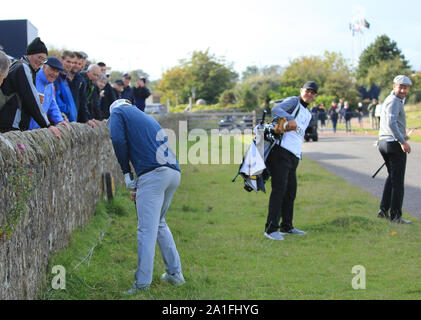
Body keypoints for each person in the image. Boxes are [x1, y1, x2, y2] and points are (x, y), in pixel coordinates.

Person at [108, 99, 185, 293]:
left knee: (146, 230)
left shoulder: (118, 112)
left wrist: (126, 173)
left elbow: (117, 140)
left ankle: (142, 284)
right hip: (173, 173)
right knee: (159, 223)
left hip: (154, 174)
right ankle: (175, 275)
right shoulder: (145, 116)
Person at [264, 81, 318, 241]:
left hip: (294, 155)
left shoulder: (308, 114)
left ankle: (287, 226)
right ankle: (271, 229)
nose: (310, 94)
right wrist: (289, 118)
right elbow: (275, 109)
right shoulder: (294, 101)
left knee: (290, 192)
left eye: (313, 92)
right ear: (302, 90)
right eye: (308, 90)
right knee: (279, 190)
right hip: (280, 152)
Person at [0, 37, 61, 138]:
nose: (41, 62)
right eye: (39, 57)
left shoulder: (23, 68)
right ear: (29, 55)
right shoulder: (23, 68)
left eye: (44, 59)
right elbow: (31, 98)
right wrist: (47, 125)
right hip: (9, 124)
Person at [377, 75, 413, 224]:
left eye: (406, 87)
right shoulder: (394, 101)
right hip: (392, 144)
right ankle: (396, 216)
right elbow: (391, 124)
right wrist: (402, 140)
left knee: (392, 178)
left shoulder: (390, 99)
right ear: (394, 86)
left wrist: (402, 134)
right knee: (398, 182)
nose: (403, 90)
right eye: (401, 87)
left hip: (385, 142)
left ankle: (383, 210)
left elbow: (391, 124)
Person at [28, 57, 69, 131]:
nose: (55, 74)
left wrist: (60, 120)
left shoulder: (50, 85)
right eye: (52, 70)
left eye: (57, 71)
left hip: (38, 130)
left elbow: (52, 105)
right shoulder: (32, 79)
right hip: (24, 130)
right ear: (44, 66)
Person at [55, 50, 78, 123]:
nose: (70, 65)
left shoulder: (65, 78)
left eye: (72, 62)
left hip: (71, 122)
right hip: (63, 121)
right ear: (61, 60)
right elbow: (56, 100)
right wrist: (67, 112)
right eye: (68, 61)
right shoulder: (56, 77)